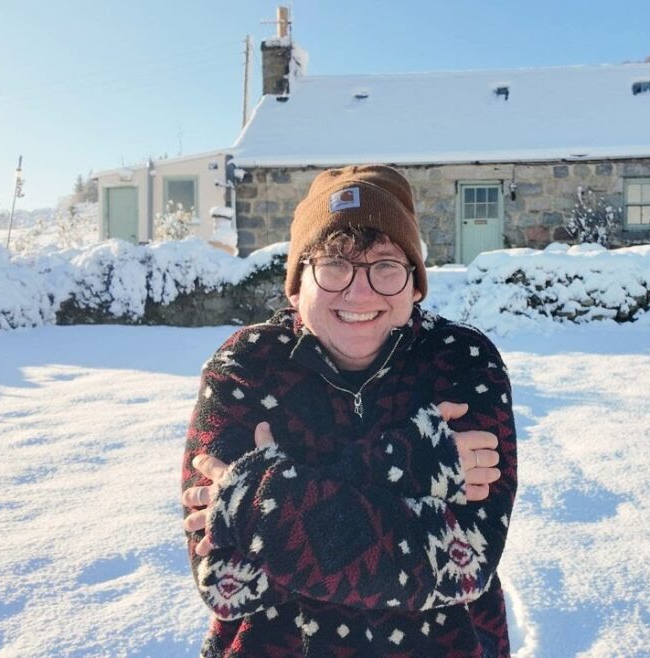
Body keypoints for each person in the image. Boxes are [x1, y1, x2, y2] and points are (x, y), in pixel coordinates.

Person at [180, 164, 518, 657]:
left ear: (415, 285)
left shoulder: (461, 361)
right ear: (296, 285)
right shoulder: (245, 367)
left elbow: (463, 567)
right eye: (334, 264)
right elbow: (231, 584)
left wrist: (259, 501)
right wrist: (411, 463)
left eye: (385, 266)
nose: (359, 292)